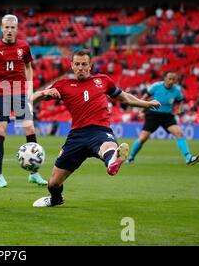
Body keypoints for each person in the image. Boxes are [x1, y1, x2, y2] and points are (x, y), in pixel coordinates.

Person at [31, 49, 161, 208]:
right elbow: (35, 98)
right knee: (53, 184)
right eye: (77, 64)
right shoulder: (63, 85)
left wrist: (146, 103)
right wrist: (44, 92)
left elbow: (124, 97)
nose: (80, 67)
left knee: (108, 147)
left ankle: (113, 160)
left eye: (84, 64)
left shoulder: (103, 81)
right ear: (72, 66)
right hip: (76, 136)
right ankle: (55, 199)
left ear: (90, 65)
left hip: (99, 130)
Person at [0, 14, 47, 188]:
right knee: (1, 130)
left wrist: (30, 87)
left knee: (29, 127)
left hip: (21, 92)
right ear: (2, 28)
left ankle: (34, 173)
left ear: (17, 29)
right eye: (6, 27)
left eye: (12, 28)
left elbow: (28, 66)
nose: (9, 31)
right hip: (1, 93)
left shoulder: (24, 46)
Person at [128, 72, 199, 165]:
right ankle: (131, 157)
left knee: (179, 133)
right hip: (153, 114)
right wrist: (142, 110)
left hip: (167, 116)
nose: (171, 81)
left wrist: (179, 109)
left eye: (173, 79)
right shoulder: (156, 86)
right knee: (142, 138)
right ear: (165, 78)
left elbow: (180, 100)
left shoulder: (177, 90)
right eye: (169, 79)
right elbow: (145, 97)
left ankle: (188, 158)